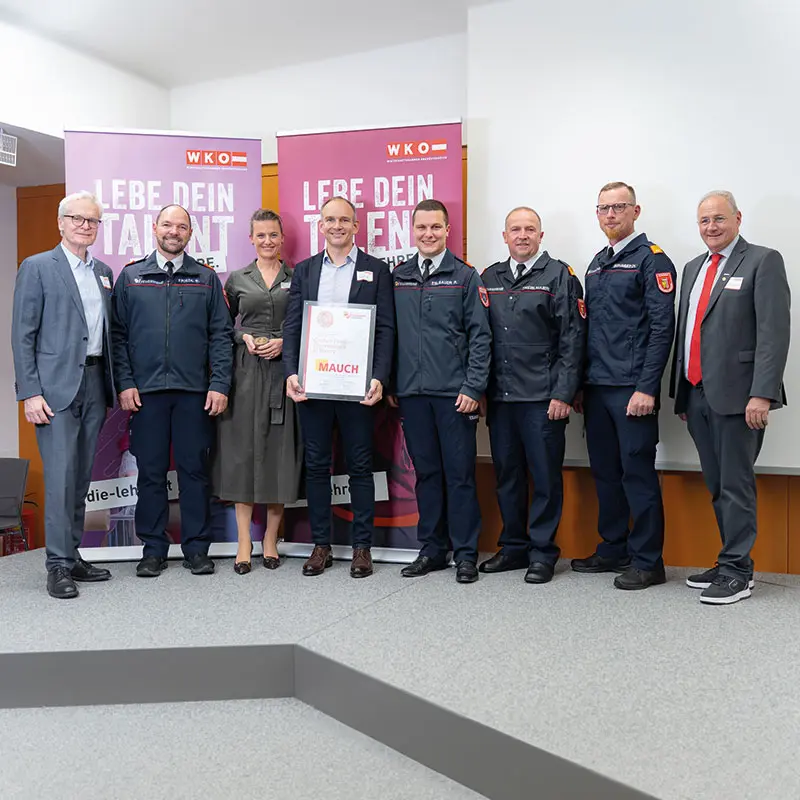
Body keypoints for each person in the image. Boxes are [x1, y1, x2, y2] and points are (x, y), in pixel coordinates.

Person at [669, 191, 790, 605]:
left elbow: (774, 334)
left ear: (737, 218)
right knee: (718, 485)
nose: (711, 227)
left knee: (736, 485)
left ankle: (739, 571)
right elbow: (689, 331)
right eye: (704, 221)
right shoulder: (692, 268)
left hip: (741, 399)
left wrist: (762, 394)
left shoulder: (762, 261)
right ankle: (728, 561)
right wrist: (684, 394)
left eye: (718, 219)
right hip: (699, 395)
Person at [111, 204, 233, 578]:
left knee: (195, 470)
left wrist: (219, 383)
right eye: (168, 225)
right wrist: (126, 383)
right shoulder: (131, 277)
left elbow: (222, 336)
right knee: (149, 472)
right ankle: (153, 549)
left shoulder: (206, 279)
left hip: (194, 393)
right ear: (155, 228)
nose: (174, 231)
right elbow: (117, 336)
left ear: (190, 234)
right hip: (145, 394)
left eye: (181, 226)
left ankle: (198, 548)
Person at [571, 182, 676, 590]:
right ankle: (613, 547)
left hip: (633, 390)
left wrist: (647, 388)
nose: (611, 215)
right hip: (597, 389)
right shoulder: (598, 262)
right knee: (606, 475)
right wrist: (580, 384)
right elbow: (589, 330)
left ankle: (649, 561)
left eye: (619, 207)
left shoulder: (652, 260)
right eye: (604, 208)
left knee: (638, 475)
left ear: (636, 211)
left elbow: (661, 327)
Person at [283, 196, 394, 579]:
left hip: (357, 387)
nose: (336, 226)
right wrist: (291, 372)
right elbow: (293, 326)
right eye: (329, 220)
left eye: (344, 220)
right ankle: (321, 546)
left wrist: (378, 376)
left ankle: (362, 547)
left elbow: (386, 330)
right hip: (312, 387)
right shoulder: (306, 271)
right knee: (316, 467)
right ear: (321, 225)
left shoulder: (376, 270)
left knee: (361, 466)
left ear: (356, 226)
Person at [11, 191, 115, 599]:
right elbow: (23, 336)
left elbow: (108, 334)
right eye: (78, 219)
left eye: (92, 221)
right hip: (53, 390)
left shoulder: (103, 271)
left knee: (80, 479)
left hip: (94, 384)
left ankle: (71, 556)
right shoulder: (37, 267)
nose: (85, 226)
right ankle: (56, 566)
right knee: (59, 478)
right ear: (61, 223)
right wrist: (30, 393)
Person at [479, 207, 585, 584]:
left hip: (543, 399)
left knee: (544, 478)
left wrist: (563, 393)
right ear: (504, 235)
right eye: (515, 229)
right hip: (502, 399)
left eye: (530, 229)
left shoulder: (559, 275)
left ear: (541, 235)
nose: (522, 235)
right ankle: (513, 548)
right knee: (508, 476)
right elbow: (480, 339)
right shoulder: (489, 277)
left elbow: (572, 340)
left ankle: (542, 553)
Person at [390, 199, 492, 584]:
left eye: (436, 227)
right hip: (412, 395)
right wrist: (391, 382)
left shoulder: (466, 277)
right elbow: (390, 334)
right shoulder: (398, 276)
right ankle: (432, 549)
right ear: (411, 231)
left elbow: (481, 338)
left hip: (455, 395)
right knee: (427, 474)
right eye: (421, 228)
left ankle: (465, 554)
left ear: (448, 230)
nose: (428, 234)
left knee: (460, 475)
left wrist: (473, 386)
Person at [211, 209, 303, 574]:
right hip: (244, 374)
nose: (267, 241)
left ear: (282, 239)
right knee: (242, 454)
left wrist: (282, 342)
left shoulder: (297, 278)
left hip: (283, 375)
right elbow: (221, 325)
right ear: (251, 238)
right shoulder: (236, 279)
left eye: (273, 236)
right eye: (261, 235)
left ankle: (270, 540)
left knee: (279, 454)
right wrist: (243, 336)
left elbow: (306, 322)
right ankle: (245, 542)